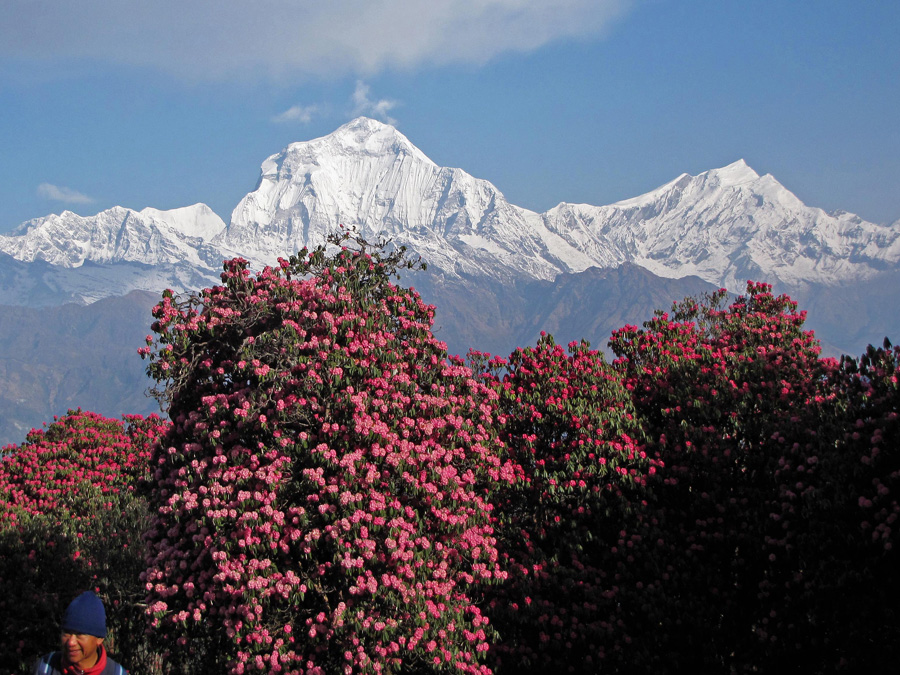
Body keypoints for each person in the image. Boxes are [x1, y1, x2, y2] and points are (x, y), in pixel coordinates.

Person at [32, 591, 128, 675]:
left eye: (80, 634)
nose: (71, 642)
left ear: (99, 638)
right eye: (67, 632)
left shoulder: (116, 673)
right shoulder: (45, 668)